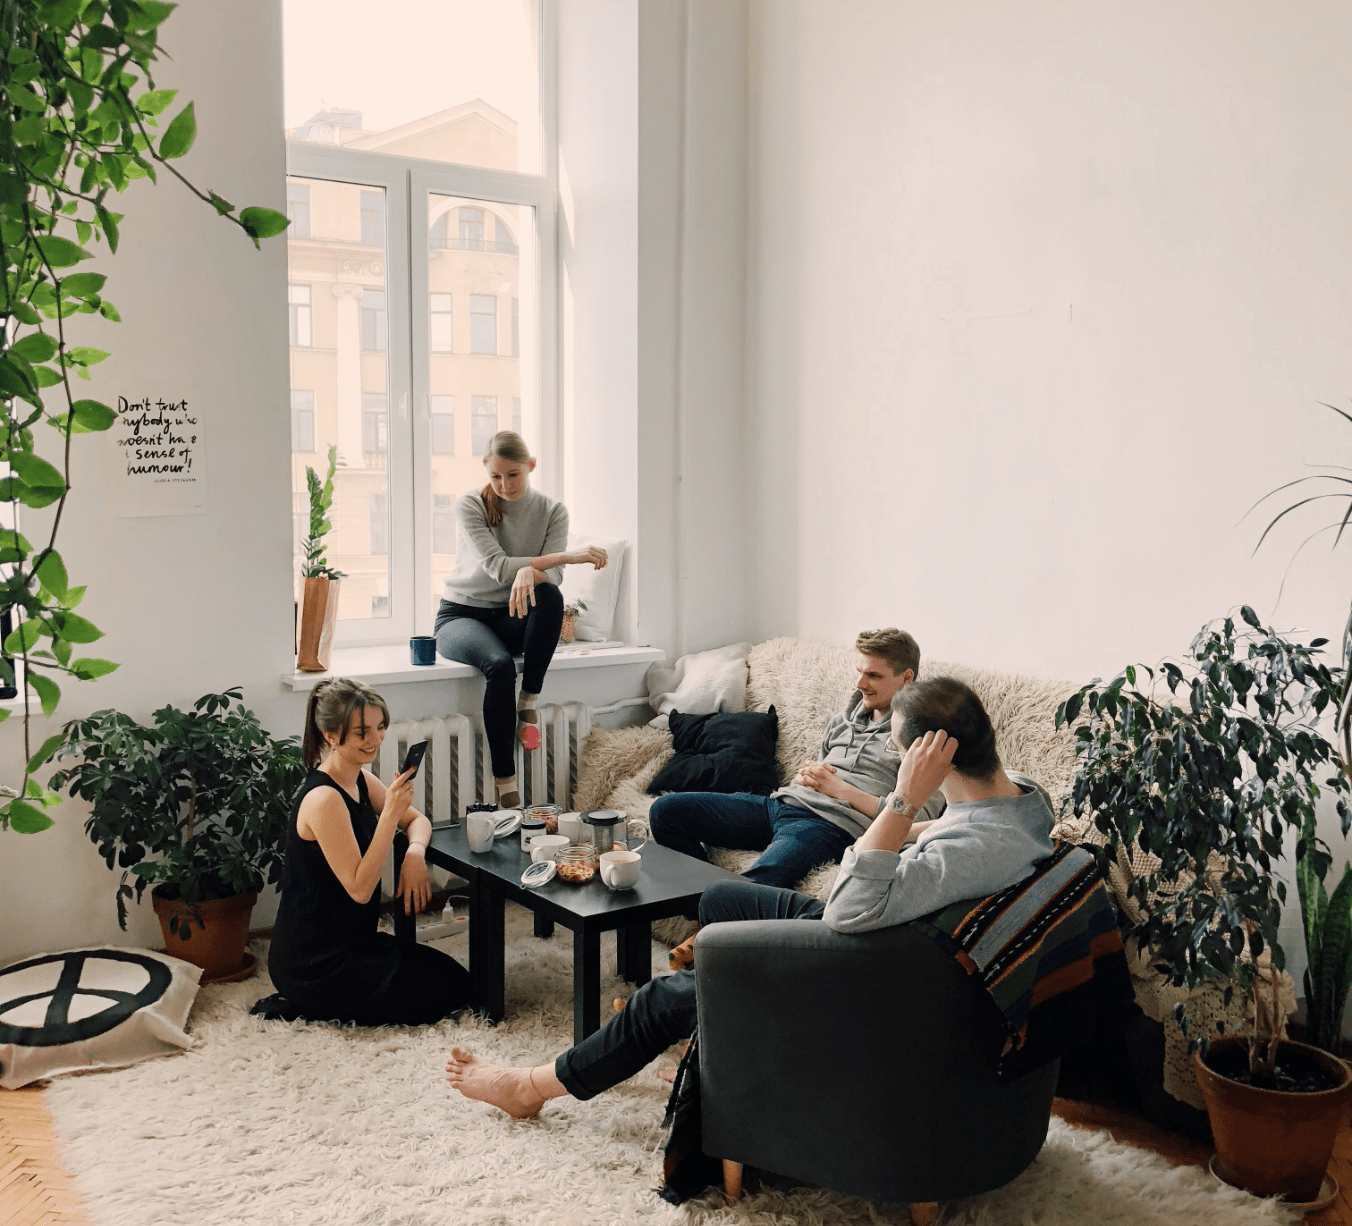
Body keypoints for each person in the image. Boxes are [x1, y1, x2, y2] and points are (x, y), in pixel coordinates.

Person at [445, 675, 1053, 1117]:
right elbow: (948, 832)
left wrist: (902, 799)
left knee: (662, 996)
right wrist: (915, 822)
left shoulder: (967, 851)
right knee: (721, 901)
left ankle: (532, 1087)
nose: (896, 758)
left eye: (898, 750)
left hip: (865, 960)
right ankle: (712, 1024)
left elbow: (850, 905)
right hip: (888, 920)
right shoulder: (1022, 798)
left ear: (932, 756)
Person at [648, 628, 947, 893]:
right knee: (666, 811)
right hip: (780, 805)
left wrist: (840, 790)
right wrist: (807, 777)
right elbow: (822, 771)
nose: (860, 683)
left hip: (828, 826)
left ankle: (713, 919)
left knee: (754, 888)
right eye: (859, 672)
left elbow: (917, 817)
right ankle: (700, 908)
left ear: (906, 677)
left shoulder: (923, 739)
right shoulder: (841, 722)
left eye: (873, 676)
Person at [258, 677, 471, 1026]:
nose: (376, 739)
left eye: (380, 727)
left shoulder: (359, 778)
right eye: (362, 732)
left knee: (457, 980)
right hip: (314, 961)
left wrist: (415, 854)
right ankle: (307, 1002)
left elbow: (417, 820)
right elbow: (359, 889)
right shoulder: (324, 799)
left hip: (355, 942)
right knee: (439, 997)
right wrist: (388, 816)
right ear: (331, 735)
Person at [434, 430, 607, 810]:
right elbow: (498, 568)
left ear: (530, 466)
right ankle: (505, 781)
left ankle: (528, 700)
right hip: (462, 615)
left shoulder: (552, 511)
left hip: (511, 615)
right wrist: (567, 556)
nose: (504, 485)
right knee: (498, 667)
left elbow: (553, 579)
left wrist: (531, 570)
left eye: (513, 475)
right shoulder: (470, 504)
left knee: (550, 595)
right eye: (495, 476)